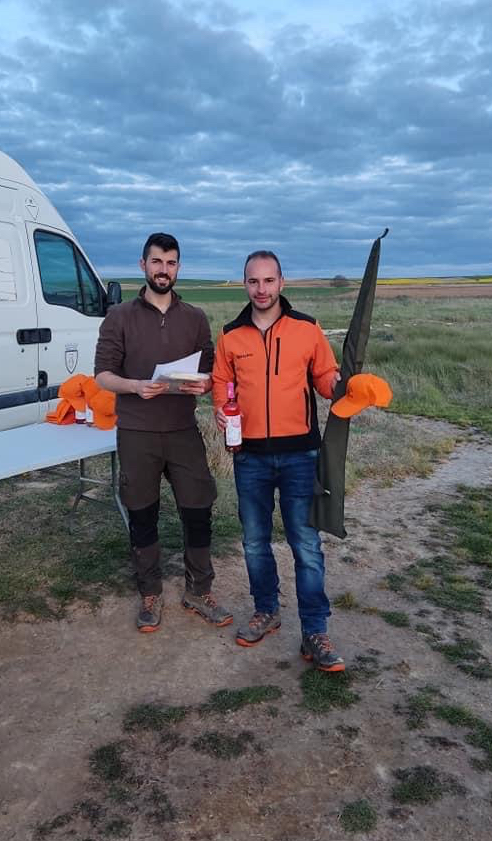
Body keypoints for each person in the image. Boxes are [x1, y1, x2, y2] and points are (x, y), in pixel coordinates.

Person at [212, 250, 345, 671]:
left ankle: (315, 631)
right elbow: (221, 382)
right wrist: (220, 408)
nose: (262, 289)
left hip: (300, 456)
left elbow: (326, 376)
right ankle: (266, 611)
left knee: (305, 544)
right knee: (254, 542)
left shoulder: (307, 328)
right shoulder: (231, 336)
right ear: (244, 284)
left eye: (269, 281)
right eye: (254, 281)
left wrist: (340, 385)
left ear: (282, 282)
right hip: (249, 456)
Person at [95, 232, 232, 633]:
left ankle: (199, 589)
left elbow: (209, 372)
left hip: (182, 429)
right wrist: (136, 386)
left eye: (171, 263)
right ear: (143, 265)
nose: (163, 270)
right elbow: (102, 375)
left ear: (178, 268)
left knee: (198, 507)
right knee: (142, 512)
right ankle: (150, 591)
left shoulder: (194, 318)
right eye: (157, 262)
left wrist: (204, 384)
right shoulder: (119, 316)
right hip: (137, 431)